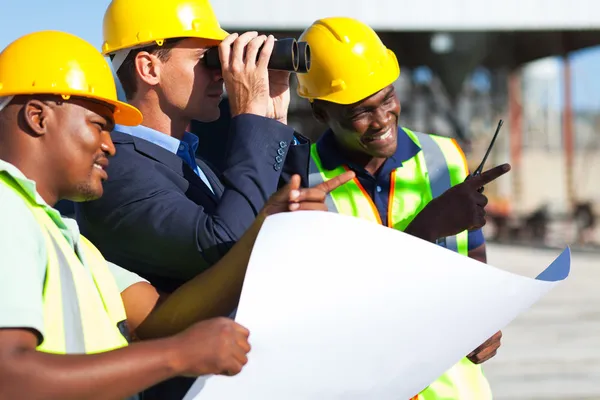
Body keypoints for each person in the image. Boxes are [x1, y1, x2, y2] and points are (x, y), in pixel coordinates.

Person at [0, 30, 352, 400]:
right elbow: (7, 377)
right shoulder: (8, 211)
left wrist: (267, 220)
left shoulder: (65, 238)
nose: (109, 143)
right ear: (37, 117)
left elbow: (159, 318)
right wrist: (179, 354)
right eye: (98, 125)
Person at [296, 17, 509, 400]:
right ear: (320, 113)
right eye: (360, 112)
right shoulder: (301, 183)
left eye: (388, 99)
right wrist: (425, 229)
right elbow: (327, 311)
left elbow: (474, 268)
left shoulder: (446, 157)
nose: (382, 121)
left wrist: (484, 322)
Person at [76, 0, 311, 295]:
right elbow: (224, 246)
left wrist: (272, 118)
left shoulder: (192, 163)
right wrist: (250, 115)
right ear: (149, 68)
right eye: (208, 59)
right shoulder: (115, 168)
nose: (221, 74)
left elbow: (273, 235)